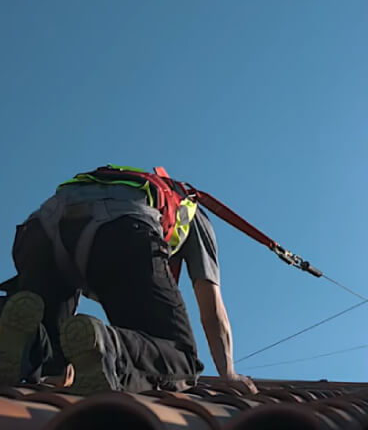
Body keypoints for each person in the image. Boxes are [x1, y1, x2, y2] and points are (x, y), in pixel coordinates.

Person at [0, 165, 257, 395]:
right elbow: (212, 310)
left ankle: (28, 342)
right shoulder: (190, 211)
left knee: (53, 355)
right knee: (181, 362)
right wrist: (228, 373)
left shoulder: (115, 184)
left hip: (40, 229)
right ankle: (109, 350)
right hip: (119, 231)